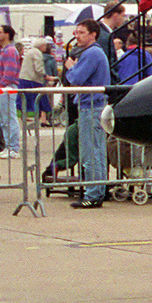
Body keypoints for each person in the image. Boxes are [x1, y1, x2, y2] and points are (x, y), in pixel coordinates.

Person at [63, 19, 110, 208]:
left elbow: (76, 78)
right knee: (96, 150)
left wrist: (70, 67)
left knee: (91, 152)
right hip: (94, 106)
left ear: (93, 35)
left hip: (91, 107)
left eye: (81, 33)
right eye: (76, 32)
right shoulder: (96, 52)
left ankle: (93, 193)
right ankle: (97, 190)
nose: (77, 36)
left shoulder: (91, 53)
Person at [0, 24, 22, 159]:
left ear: (7, 34)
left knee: (8, 118)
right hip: (2, 88)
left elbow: (10, 72)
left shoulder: (10, 51)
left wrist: (0, 85)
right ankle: (8, 146)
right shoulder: (6, 50)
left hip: (5, 88)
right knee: (4, 119)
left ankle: (13, 147)